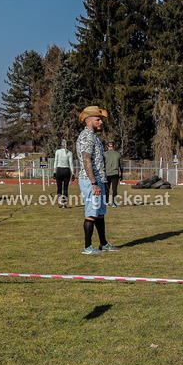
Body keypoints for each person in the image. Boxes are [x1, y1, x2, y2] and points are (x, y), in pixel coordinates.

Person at [76, 106, 116, 254]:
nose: (101, 122)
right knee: (91, 213)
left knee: (100, 213)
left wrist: (102, 182)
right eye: (98, 119)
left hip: (99, 180)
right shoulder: (86, 136)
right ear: (89, 121)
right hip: (90, 181)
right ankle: (87, 247)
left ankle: (103, 243)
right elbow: (86, 159)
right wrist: (94, 183)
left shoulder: (94, 137)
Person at [53, 139, 75, 208]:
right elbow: (71, 163)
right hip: (66, 171)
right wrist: (73, 173)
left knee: (59, 187)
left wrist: (54, 172)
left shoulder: (57, 152)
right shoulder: (69, 153)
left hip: (59, 170)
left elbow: (55, 162)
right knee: (65, 188)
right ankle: (64, 204)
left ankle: (60, 201)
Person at [103, 141, 123, 207]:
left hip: (107, 173)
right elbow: (121, 166)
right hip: (115, 173)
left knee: (107, 189)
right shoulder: (118, 154)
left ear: (107, 147)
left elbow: (102, 164)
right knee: (114, 189)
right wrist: (121, 174)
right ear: (114, 147)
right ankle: (114, 203)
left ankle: (106, 202)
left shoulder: (104, 154)